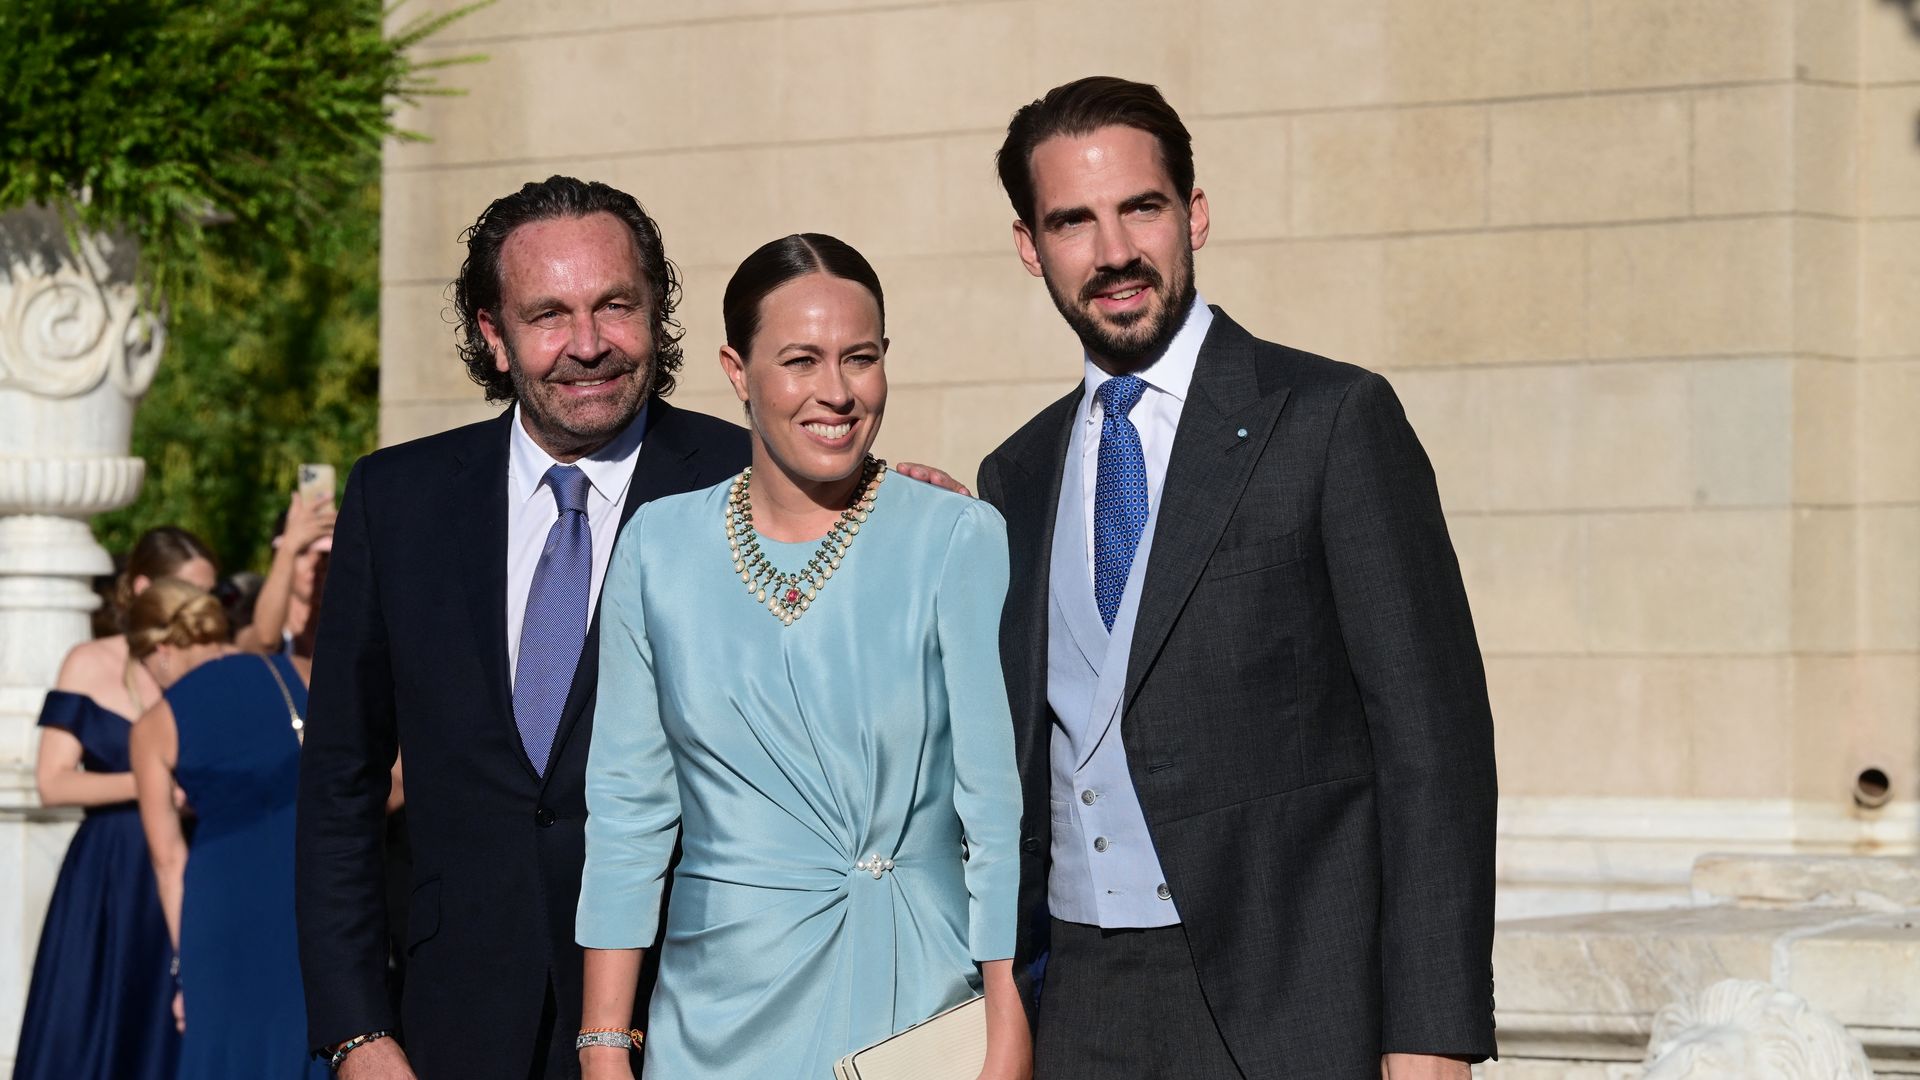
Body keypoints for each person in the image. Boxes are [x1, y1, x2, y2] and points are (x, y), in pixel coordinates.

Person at [296, 176, 967, 1080]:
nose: (588, 345)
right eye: (548, 314)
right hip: (451, 1027)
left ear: (658, 313)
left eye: (617, 305)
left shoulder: (762, 482)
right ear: (495, 336)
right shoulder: (398, 501)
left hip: (708, 1021)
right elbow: (340, 786)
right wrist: (354, 1033)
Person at [977, 76, 1499, 1079]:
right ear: (1029, 248)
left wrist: (1431, 1035)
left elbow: (1435, 745)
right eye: (1073, 221)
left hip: (1288, 1005)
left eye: (1142, 207)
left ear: (1195, 215)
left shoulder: (1331, 420)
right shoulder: (1018, 473)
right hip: (1073, 1003)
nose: (1115, 250)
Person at [575, 235, 1030, 1080]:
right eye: (800, 360)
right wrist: (604, 1043)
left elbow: (995, 814)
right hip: (711, 1016)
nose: (837, 392)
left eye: (860, 358)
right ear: (738, 372)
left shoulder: (955, 537)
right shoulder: (657, 549)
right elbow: (629, 814)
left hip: (914, 1004)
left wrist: (1006, 1028)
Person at [11, 526, 217, 1080]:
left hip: (192, 868)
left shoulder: (211, 667)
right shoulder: (88, 661)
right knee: (92, 1032)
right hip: (110, 875)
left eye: (208, 596)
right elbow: (53, 783)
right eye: (188, 592)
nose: (199, 609)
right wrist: (148, 783)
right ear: (145, 586)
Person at [125, 577, 327, 1080]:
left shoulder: (154, 725)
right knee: (306, 1037)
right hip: (310, 891)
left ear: (163, 649)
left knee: (224, 1055)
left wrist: (181, 967)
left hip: (219, 912)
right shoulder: (297, 672)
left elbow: (168, 862)